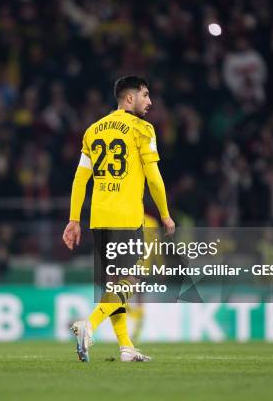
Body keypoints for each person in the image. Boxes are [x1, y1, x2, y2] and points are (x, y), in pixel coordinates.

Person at [62, 76, 175, 362]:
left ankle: (126, 347)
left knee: (115, 285)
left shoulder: (93, 130)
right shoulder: (142, 129)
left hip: (99, 219)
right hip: (126, 217)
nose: (150, 102)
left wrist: (74, 219)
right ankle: (89, 325)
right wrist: (164, 213)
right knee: (131, 281)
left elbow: (79, 179)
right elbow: (154, 178)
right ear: (129, 98)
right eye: (145, 95)